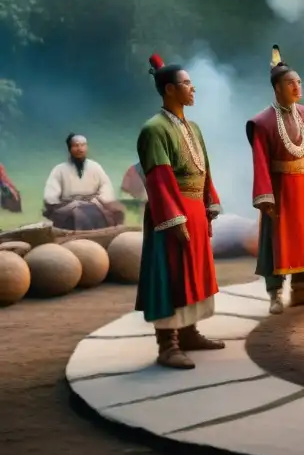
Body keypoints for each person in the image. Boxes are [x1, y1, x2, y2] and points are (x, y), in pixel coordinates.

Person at [135, 53, 224, 369]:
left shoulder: (193, 127)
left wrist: (208, 201)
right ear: (169, 90)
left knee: (193, 273)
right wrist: (174, 219)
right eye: (186, 83)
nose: (193, 88)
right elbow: (158, 179)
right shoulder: (154, 129)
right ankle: (167, 345)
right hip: (171, 215)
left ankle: (189, 332)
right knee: (170, 275)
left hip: (194, 210)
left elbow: (204, 169)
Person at [247, 45, 304, 314]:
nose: (297, 87)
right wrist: (266, 198)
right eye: (290, 83)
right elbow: (260, 162)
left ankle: (301, 289)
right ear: (277, 88)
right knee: (276, 241)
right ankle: (275, 294)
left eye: (299, 82)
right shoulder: (261, 122)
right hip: (280, 190)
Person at [42, 134, 127, 231]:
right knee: (79, 213)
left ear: (86, 147)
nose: (80, 149)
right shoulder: (59, 169)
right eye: (76, 146)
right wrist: (58, 203)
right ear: (70, 148)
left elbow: (105, 185)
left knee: (117, 210)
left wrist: (101, 199)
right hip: (68, 205)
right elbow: (51, 195)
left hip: (93, 202)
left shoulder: (95, 167)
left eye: (82, 145)